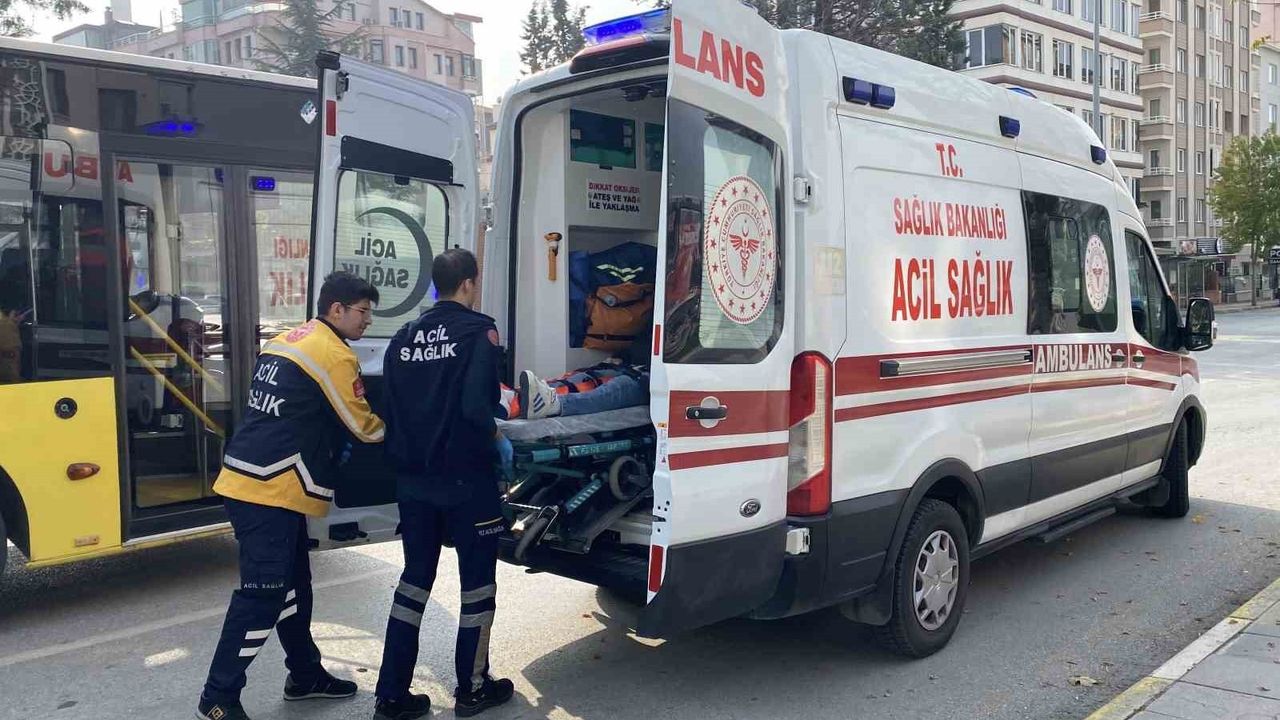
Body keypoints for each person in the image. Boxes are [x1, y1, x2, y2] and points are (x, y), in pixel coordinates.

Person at [196, 272, 386, 720]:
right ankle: (217, 698)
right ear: (336, 309)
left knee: (293, 583)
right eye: (362, 313)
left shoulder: (289, 338)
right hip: (269, 489)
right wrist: (407, 434)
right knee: (263, 594)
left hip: (250, 477)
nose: (366, 322)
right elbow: (363, 426)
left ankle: (304, 675)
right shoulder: (334, 353)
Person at [374, 248, 515, 720]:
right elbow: (478, 409)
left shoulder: (403, 337)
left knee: (414, 583)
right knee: (477, 588)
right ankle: (472, 690)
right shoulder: (479, 332)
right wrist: (498, 438)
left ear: (435, 285)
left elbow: (389, 409)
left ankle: (391, 695)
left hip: (414, 483)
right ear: (470, 284)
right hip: (466, 482)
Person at [515, 322, 652, 420]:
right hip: (632, 368)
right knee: (586, 377)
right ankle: (514, 397)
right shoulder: (661, 320)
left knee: (618, 388)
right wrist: (621, 357)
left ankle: (555, 404)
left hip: (649, 381)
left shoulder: (668, 320)